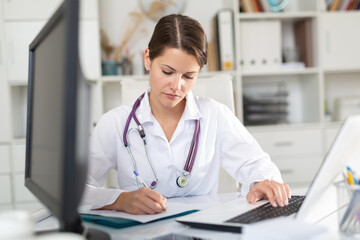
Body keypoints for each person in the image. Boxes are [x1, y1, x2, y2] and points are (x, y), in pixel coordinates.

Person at [84, 14, 291, 215]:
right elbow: (77, 190)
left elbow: (261, 168)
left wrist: (263, 183)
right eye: (167, 72)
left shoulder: (215, 115)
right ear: (148, 59)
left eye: (189, 76)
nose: (176, 86)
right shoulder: (115, 123)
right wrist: (120, 200)